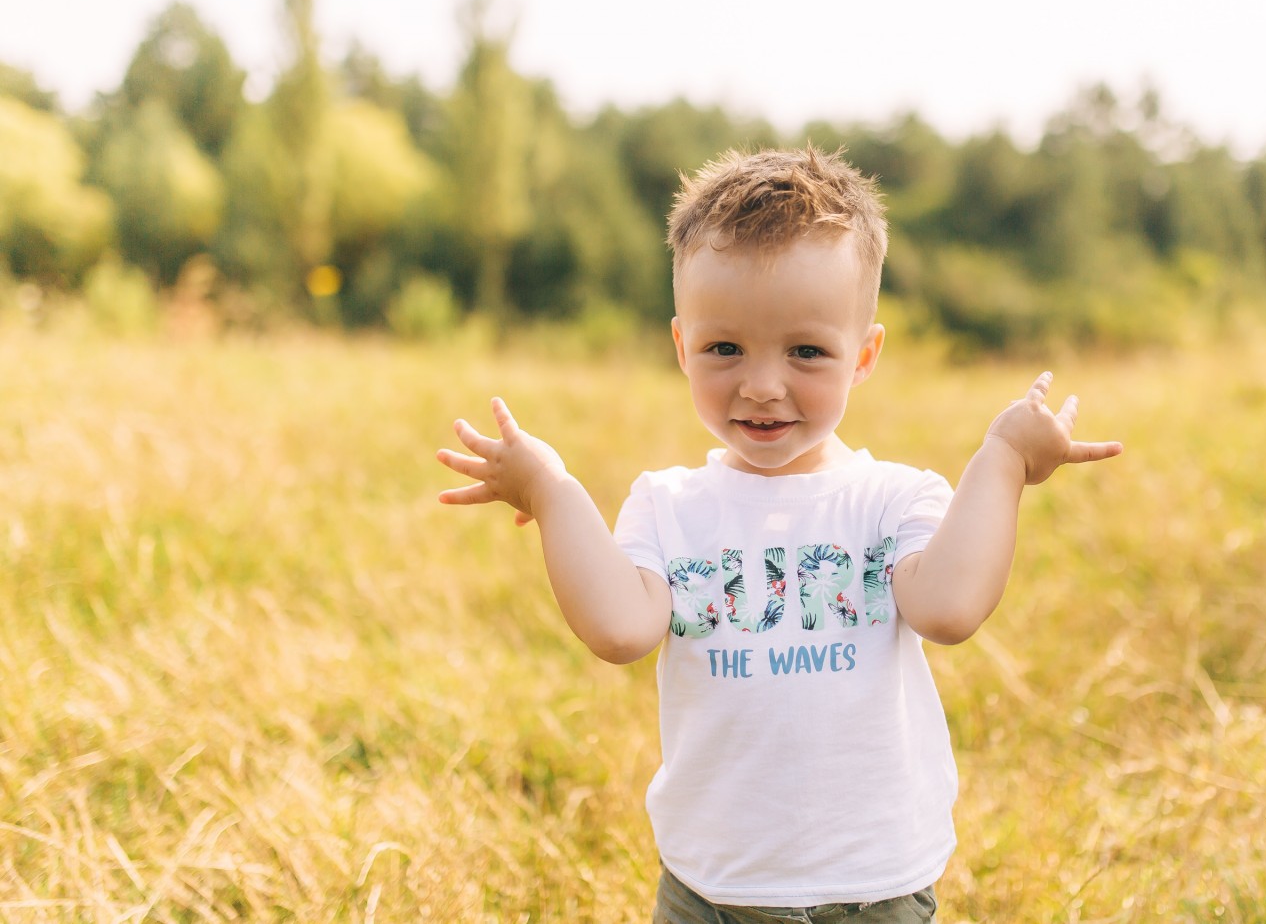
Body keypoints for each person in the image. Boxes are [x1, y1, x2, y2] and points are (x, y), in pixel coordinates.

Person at [437, 146, 1123, 923]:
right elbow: (620, 629)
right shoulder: (670, 504)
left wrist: (1002, 460)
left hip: (871, 891)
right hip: (709, 893)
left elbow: (951, 608)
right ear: (681, 346)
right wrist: (551, 491)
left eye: (806, 351)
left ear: (863, 355)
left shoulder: (891, 498)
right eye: (724, 348)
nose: (762, 385)